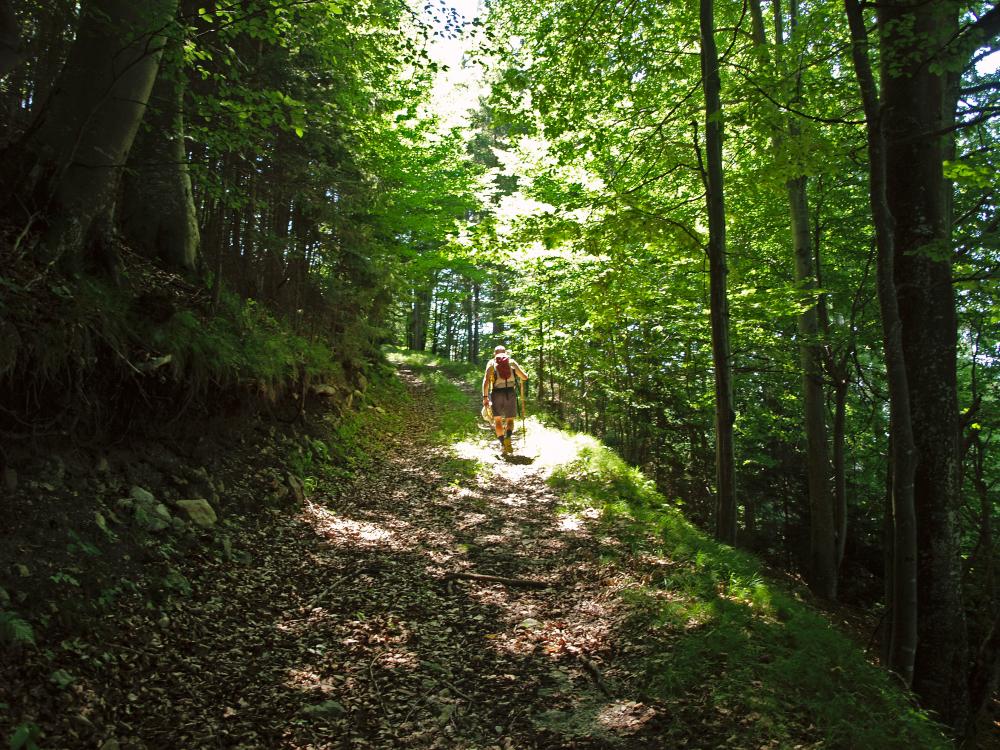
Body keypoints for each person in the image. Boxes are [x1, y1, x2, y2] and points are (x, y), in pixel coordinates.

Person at [482, 345, 528, 455]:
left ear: (494, 353)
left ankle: (503, 444)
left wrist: (485, 397)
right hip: (510, 393)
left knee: (497, 420)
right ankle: (508, 437)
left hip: (496, 393)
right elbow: (524, 377)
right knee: (510, 420)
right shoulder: (511, 362)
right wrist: (524, 375)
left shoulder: (491, 364)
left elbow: (486, 381)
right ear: (506, 353)